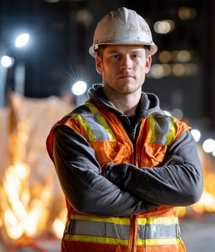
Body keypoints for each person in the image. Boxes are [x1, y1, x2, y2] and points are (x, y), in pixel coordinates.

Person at [46, 7, 203, 252]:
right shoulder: (73, 129)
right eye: (115, 56)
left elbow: (190, 190)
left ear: (147, 62)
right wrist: (159, 196)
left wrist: (121, 175)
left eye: (134, 56)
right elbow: (89, 198)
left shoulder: (175, 131)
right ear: (99, 63)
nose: (126, 65)